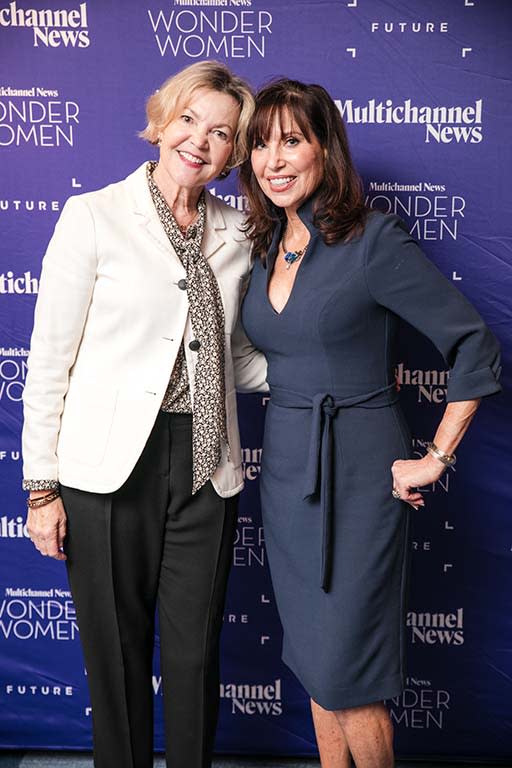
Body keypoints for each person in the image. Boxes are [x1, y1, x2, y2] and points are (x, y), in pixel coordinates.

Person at [239, 79, 501, 768]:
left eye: (291, 140)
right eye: (261, 143)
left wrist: (436, 457)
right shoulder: (268, 248)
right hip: (289, 475)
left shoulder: (371, 240)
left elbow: (474, 343)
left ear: (325, 148)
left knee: (352, 680)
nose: (274, 159)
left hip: (358, 477)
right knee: (317, 671)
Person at [22, 61, 266, 768]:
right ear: (161, 122)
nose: (201, 140)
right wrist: (43, 488)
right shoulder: (93, 216)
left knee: (195, 658)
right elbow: (49, 361)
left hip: (207, 464)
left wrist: (322, 370)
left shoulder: (241, 233)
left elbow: (238, 357)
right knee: (117, 659)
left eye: (222, 132)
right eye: (189, 119)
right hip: (105, 472)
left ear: (234, 153)